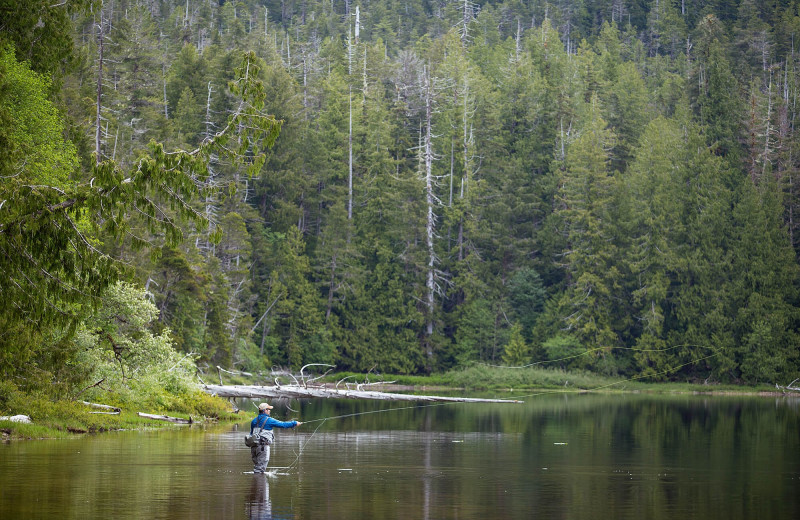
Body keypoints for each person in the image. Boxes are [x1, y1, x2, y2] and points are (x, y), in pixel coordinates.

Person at [250, 402, 302, 474]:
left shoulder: (254, 421)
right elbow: (283, 425)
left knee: (258, 468)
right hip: (263, 447)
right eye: (268, 409)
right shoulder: (269, 420)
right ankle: (260, 484)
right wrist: (294, 423)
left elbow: (251, 434)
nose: (270, 411)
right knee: (260, 470)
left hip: (254, 448)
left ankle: (256, 484)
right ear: (265, 410)